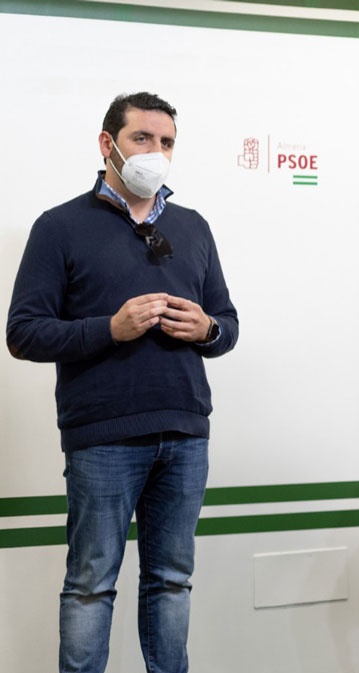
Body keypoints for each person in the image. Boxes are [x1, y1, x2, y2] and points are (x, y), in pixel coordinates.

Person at [6, 92, 239, 673]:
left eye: (167, 143)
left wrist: (207, 329)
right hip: (102, 436)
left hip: (185, 433)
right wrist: (109, 329)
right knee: (90, 583)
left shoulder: (192, 226)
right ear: (107, 144)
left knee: (172, 581)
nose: (155, 153)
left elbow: (227, 325)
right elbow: (24, 333)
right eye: (143, 139)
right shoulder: (59, 226)